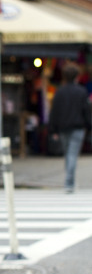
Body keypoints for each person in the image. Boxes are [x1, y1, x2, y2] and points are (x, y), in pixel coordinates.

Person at [48, 63, 91, 193]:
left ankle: (69, 181)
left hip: (63, 128)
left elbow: (54, 112)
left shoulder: (60, 91)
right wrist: (89, 126)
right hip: (77, 128)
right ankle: (69, 182)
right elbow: (87, 111)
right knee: (71, 154)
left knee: (68, 154)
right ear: (77, 76)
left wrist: (53, 130)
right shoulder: (81, 91)